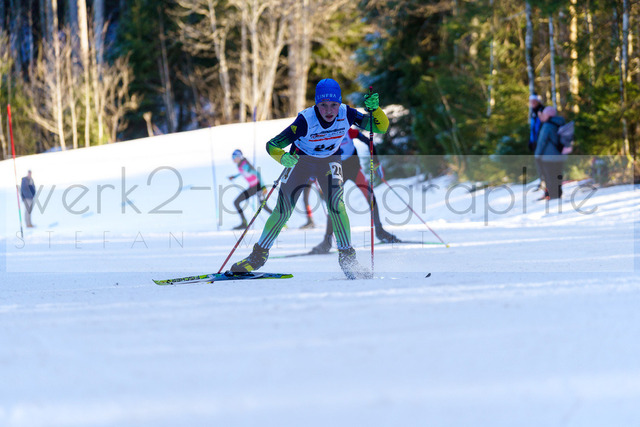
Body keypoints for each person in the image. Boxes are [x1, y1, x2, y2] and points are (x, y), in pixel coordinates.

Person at [229, 78, 389, 279]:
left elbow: (379, 127)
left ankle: (348, 259)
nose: (329, 110)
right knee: (283, 210)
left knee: (336, 206)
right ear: (316, 104)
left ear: (339, 103)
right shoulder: (305, 120)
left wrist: (376, 111)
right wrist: (282, 157)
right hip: (301, 162)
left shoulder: (346, 113)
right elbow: (272, 145)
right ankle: (257, 257)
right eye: (323, 105)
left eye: (334, 104)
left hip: (329, 161)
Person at [310, 127, 400, 254]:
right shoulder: (326, 134)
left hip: (354, 168)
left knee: (370, 196)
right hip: (337, 170)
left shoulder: (348, 130)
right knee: (333, 203)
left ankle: (380, 231)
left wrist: (376, 163)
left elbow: (369, 141)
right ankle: (327, 241)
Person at [228, 149, 272, 229]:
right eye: (232, 157)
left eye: (234, 157)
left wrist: (263, 187)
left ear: (239, 157)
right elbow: (242, 172)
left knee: (264, 206)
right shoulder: (240, 165)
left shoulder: (244, 165)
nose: (233, 159)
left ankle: (280, 222)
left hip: (258, 187)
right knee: (236, 202)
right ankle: (244, 223)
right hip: (252, 188)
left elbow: (257, 173)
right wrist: (234, 177)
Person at [534, 106, 566, 200]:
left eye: (544, 114)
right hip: (560, 155)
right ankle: (558, 193)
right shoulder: (561, 123)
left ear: (548, 115)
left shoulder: (547, 125)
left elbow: (542, 142)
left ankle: (553, 196)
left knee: (550, 176)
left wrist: (537, 155)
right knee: (558, 175)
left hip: (548, 157)